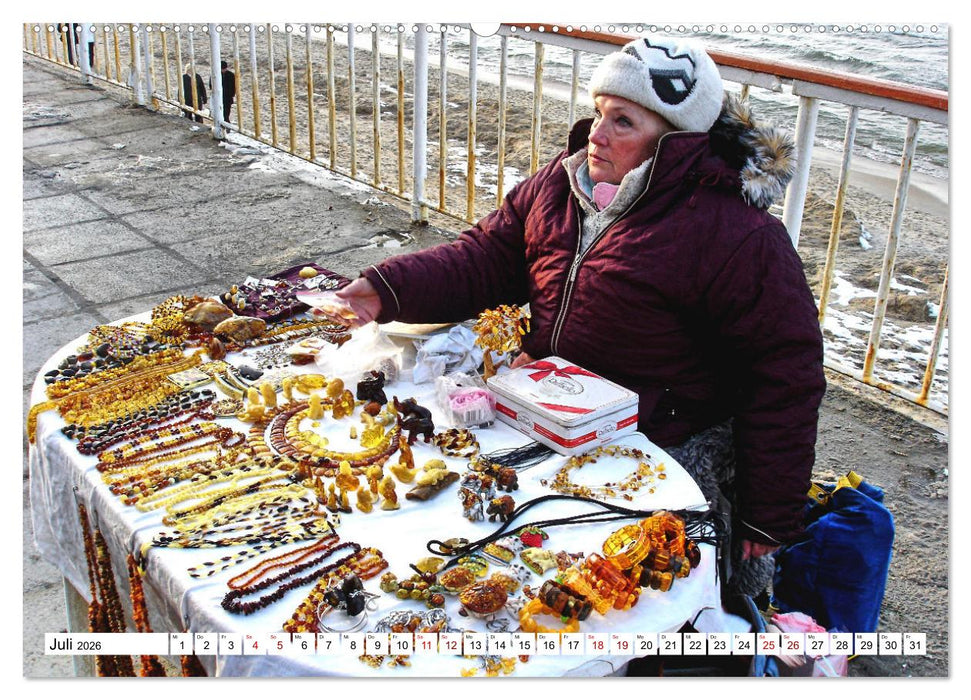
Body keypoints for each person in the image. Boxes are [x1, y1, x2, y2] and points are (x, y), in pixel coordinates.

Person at [336, 36, 826, 594]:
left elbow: (786, 372)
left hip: (657, 439)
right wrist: (386, 288)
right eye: (598, 112)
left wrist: (767, 513)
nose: (595, 134)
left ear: (675, 139)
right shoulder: (563, 184)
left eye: (623, 121)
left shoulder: (738, 235)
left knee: (605, 588)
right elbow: (487, 257)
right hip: (547, 408)